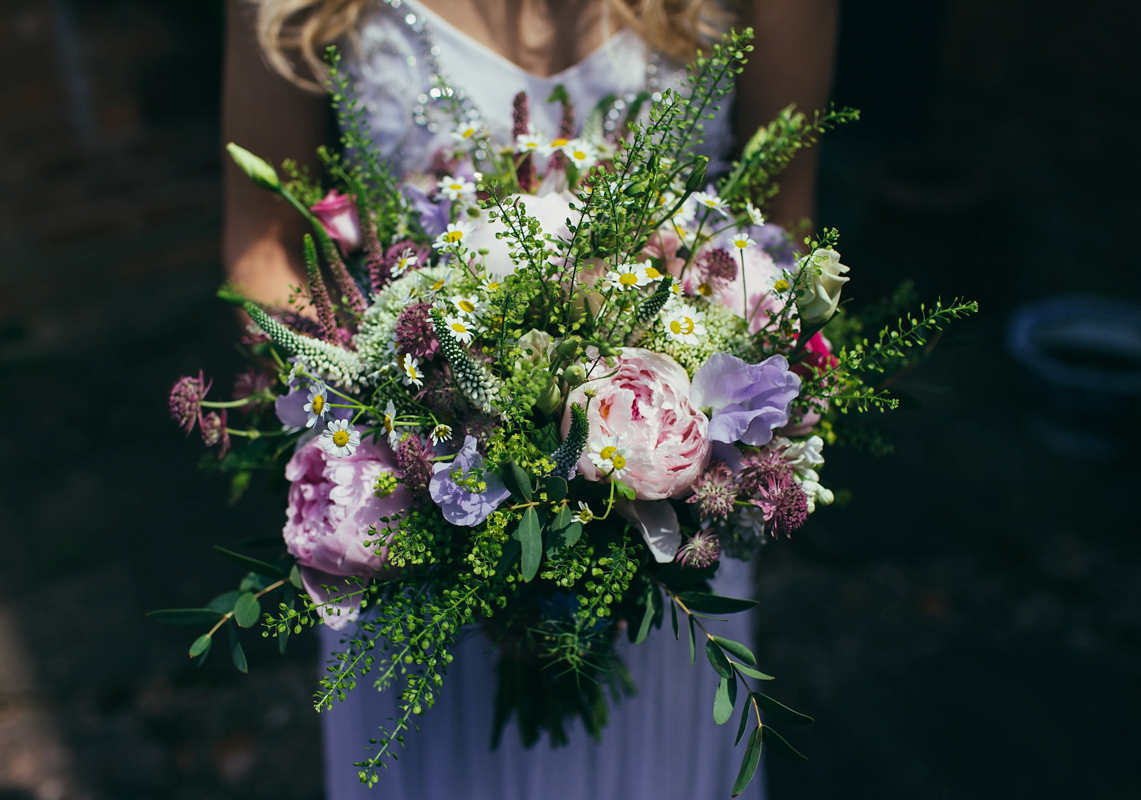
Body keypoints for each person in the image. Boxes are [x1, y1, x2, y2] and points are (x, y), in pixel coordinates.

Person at [222, 1, 837, 797]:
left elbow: (786, 224)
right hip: (409, 538)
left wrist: (640, 496)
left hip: (661, 553)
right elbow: (264, 246)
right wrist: (393, 421)